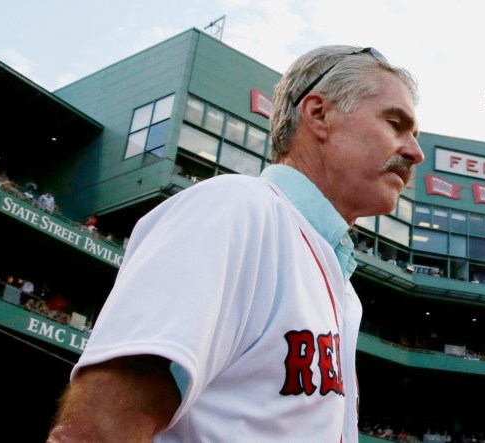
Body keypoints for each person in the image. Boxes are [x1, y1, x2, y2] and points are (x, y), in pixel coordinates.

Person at [46, 44, 423, 443]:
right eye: (395, 123)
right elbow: (98, 428)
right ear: (319, 114)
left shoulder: (343, 288)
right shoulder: (237, 208)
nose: (414, 153)